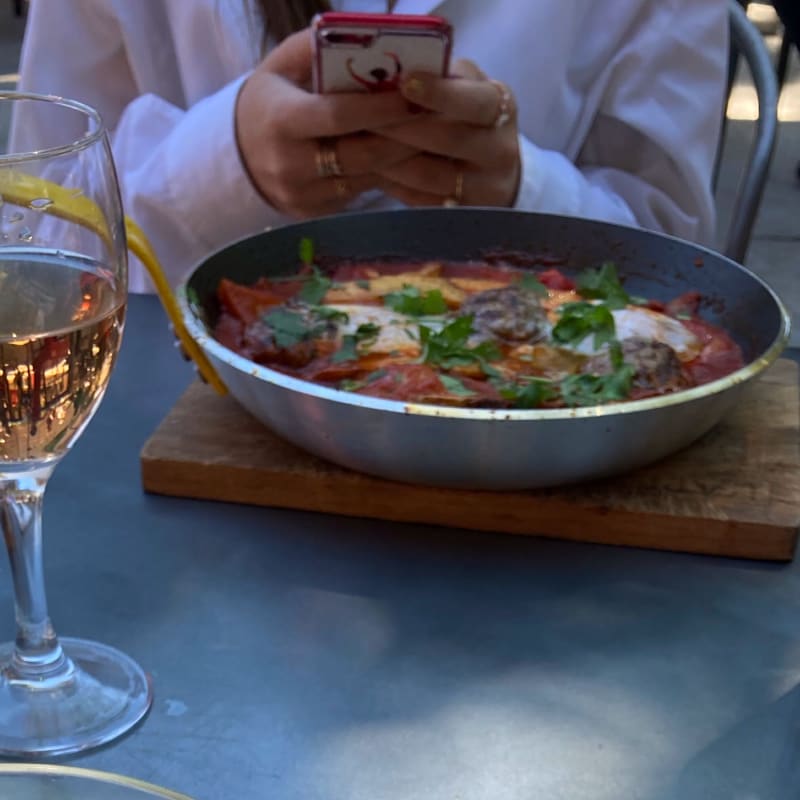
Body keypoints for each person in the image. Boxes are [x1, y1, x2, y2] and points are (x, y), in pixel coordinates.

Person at [11, 0, 729, 292]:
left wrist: (521, 193)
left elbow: (683, 270)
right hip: (180, 438)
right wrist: (225, 165)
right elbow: (35, 244)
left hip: (539, 448)